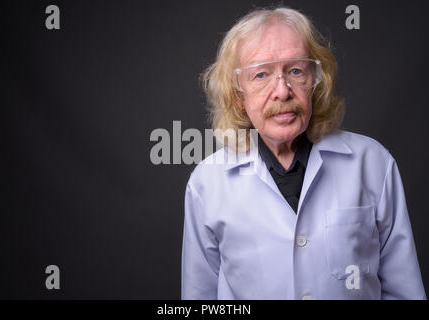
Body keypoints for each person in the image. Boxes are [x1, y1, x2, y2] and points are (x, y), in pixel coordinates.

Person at [181, 6, 426, 299]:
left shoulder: (373, 163)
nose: (282, 91)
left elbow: (404, 291)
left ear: (316, 82)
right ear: (238, 97)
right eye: (261, 75)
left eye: (296, 71)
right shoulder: (207, 183)